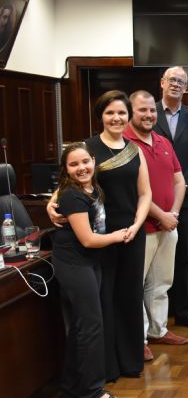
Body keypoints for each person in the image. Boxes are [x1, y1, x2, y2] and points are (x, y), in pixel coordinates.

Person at [50, 90, 152, 381]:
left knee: (130, 296)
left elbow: (145, 194)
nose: (116, 118)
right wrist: (49, 205)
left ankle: (131, 362)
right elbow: (65, 187)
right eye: (110, 113)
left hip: (132, 233)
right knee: (104, 299)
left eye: (121, 112)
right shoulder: (87, 148)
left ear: (128, 115)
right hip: (100, 238)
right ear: (101, 117)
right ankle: (107, 368)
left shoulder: (135, 149)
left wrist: (136, 225)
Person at [53, 142, 127, 398]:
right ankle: (92, 391)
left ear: (93, 161)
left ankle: (73, 386)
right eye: (73, 164)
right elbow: (87, 239)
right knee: (91, 326)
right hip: (75, 263)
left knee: (83, 326)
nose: (81, 168)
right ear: (65, 169)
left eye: (85, 161)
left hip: (88, 263)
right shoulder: (72, 195)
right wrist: (117, 236)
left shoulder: (91, 188)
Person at [125, 90, 188, 362]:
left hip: (168, 225)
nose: (149, 115)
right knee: (136, 285)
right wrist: (161, 215)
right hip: (142, 227)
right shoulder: (124, 144)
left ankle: (158, 330)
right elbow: (133, 191)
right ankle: (137, 339)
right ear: (131, 112)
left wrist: (172, 213)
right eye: (143, 110)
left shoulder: (163, 141)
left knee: (162, 282)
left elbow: (179, 181)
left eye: (152, 110)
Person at [153, 66, 188, 330]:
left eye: (181, 81)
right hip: (150, 200)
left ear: (187, 87)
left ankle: (183, 312)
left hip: (184, 201)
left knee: (183, 257)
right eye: (172, 80)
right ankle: (153, 319)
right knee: (152, 260)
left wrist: (181, 184)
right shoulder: (148, 113)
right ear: (162, 83)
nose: (176, 84)